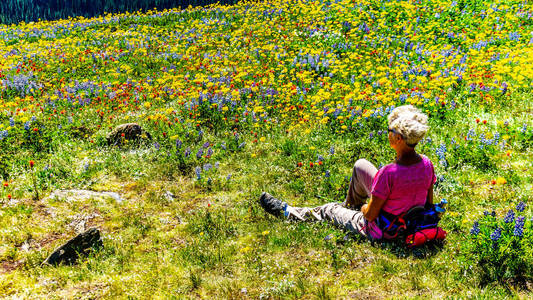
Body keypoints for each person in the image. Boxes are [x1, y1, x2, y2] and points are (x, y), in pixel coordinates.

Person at [259, 105, 436, 240]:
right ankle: (348, 210)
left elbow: (371, 215)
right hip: (413, 223)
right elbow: (428, 204)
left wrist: (364, 208)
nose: (387, 133)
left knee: (329, 210)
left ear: (398, 138)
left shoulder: (388, 173)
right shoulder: (427, 163)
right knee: (361, 166)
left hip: (384, 230)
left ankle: (289, 213)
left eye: (390, 131)